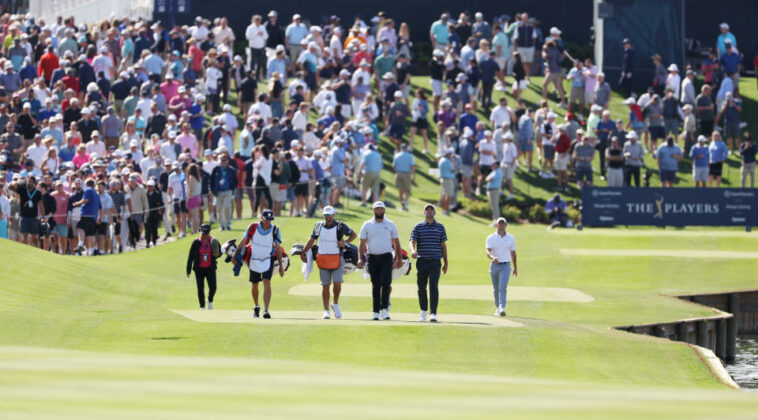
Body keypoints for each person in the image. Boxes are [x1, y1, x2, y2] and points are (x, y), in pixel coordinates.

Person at [301, 206, 357, 320]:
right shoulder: (318, 226)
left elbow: (353, 235)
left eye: (330, 215)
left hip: (337, 257)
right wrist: (304, 251)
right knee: (325, 285)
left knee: (337, 282)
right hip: (323, 257)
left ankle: (335, 304)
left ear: (334, 215)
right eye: (326, 215)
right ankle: (326, 310)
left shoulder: (340, 226)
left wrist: (345, 242)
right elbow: (312, 239)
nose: (328, 217)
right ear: (323, 216)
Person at [235, 210, 284, 319]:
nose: (268, 222)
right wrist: (235, 254)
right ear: (262, 218)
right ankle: (256, 306)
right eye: (266, 220)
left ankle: (266, 310)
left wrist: (281, 266)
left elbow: (278, 248)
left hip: (268, 258)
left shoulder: (275, 230)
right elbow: (244, 241)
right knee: (255, 284)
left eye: (270, 220)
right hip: (254, 259)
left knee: (267, 282)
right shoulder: (253, 227)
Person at [357, 201, 402, 321]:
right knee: (376, 284)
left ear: (384, 210)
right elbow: (361, 243)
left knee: (386, 283)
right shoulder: (367, 224)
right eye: (377, 209)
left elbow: (396, 242)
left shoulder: (390, 224)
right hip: (372, 257)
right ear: (374, 210)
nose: (379, 211)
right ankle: (376, 312)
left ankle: (385, 310)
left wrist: (399, 258)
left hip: (387, 257)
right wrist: (360, 258)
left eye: (381, 209)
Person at [409, 204, 448, 322]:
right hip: (422, 261)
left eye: (432, 210)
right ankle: (423, 310)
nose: (429, 212)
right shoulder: (418, 227)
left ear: (435, 213)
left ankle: (433, 313)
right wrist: (413, 250)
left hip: (435, 261)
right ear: (424, 213)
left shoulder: (440, 227)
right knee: (421, 287)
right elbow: (412, 241)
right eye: (427, 210)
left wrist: (446, 263)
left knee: (433, 287)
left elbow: (443, 246)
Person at [485, 217, 517, 317]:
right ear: (496, 225)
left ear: (506, 225)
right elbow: (488, 251)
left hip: (506, 265)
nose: (501, 225)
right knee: (496, 289)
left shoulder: (511, 238)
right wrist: (492, 257)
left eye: (503, 224)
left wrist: (515, 267)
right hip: (494, 265)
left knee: (502, 287)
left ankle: (502, 307)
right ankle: (497, 307)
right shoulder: (491, 237)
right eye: (499, 224)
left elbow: (513, 253)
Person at [186, 224, 221, 310]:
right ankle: (202, 306)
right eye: (203, 233)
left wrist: (217, 254)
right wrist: (188, 270)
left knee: (213, 287)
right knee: (200, 288)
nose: (204, 235)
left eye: (206, 233)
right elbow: (190, 257)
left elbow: (219, 253)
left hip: (210, 268)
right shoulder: (196, 242)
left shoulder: (214, 241)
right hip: (199, 269)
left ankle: (209, 300)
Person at [392, 144, 415, 211]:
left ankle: (403, 206)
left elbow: (394, 166)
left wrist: (397, 172)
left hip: (398, 173)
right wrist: (413, 176)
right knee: (408, 191)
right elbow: (412, 166)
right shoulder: (410, 156)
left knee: (401, 191)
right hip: (406, 174)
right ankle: (405, 202)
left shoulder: (397, 155)